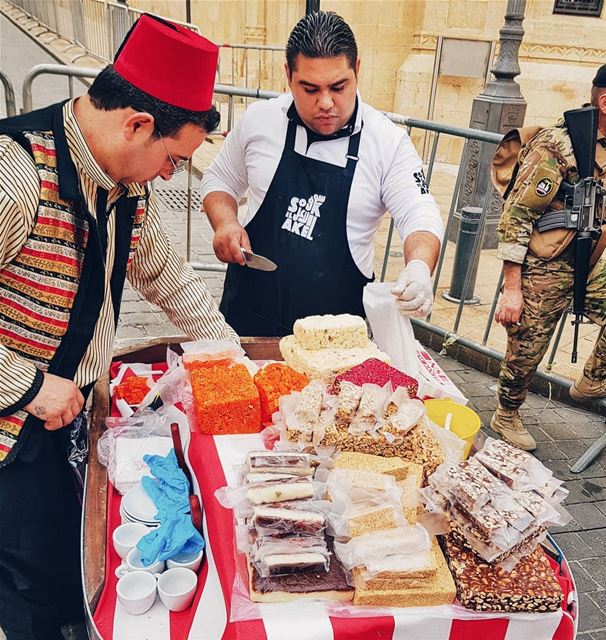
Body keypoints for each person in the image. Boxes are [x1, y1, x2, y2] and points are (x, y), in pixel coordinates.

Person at [0, 14, 236, 639]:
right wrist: (25, 383)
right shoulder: (16, 177)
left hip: (72, 412)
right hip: (11, 432)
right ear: (136, 124)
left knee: (77, 562)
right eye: (173, 157)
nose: (170, 173)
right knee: (33, 588)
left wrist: (230, 357)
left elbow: (165, 274)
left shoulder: (123, 183)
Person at [201, 11, 443, 337]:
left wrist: (418, 267)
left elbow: (420, 213)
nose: (326, 102)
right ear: (288, 75)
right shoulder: (260, 121)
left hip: (335, 342)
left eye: (339, 86)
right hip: (247, 323)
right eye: (310, 88)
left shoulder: (387, 142)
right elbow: (220, 180)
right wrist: (225, 222)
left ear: (357, 69)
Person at [491, 65, 606, 451]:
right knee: (527, 350)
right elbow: (517, 214)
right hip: (545, 264)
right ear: (604, 101)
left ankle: (591, 379)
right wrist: (512, 289)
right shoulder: (559, 146)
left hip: (589, 259)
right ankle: (506, 412)